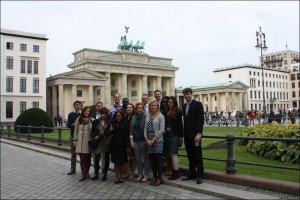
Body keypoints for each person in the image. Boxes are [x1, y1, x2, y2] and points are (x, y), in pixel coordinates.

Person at [181, 87, 204, 184]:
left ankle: (199, 175)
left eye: (188, 94)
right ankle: (191, 174)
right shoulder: (184, 106)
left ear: (191, 94)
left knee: (198, 155)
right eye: (185, 94)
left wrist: (199, 134)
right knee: (190, 155)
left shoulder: (198, 104)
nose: (186, 96)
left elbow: (200, 120)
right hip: (187, 135)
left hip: (195, 136)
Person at [105, 111, 130, 184]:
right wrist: (110, 130)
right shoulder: (111, 124)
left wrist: (127, 146)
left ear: (122, 116)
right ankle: (117, 177)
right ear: (114, 117)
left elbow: (127, 135)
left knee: (122, 162)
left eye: (120, 116)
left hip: (123, 146)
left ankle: (121, 177)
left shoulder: (125, 124)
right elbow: (105, 134)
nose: (118, 117)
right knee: (116, 162)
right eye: (117, 116)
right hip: (114, 146)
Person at [144, 100, 165, 186]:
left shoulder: (160, 116)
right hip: (149, 141)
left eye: (155, 106)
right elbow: (145, 129)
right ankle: (154, 176)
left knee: (158, 160)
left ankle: (159, 178)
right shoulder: (148, 117)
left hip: (158, 140)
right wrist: (147, 140)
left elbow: (162, 130)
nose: (153, 107)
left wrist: (153, 140)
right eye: (151, 106)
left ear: (157, 107)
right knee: (152, 160)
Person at [130, 102, 150, 182]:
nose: (139, 109)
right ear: (136, 109)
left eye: (140, 108)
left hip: (143, 140)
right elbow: (131, 130)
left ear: (143, 109)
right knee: (138, 158)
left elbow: (148, 130)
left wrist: (146, 139)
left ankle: (146, 175)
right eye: (138, 108)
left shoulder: (146, 117)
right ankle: (140, 174)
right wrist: (131, 141)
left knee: (145, 158)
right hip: (135, 140)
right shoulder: (133, 117)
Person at [164, 96, 183, 180]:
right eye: (169, 102)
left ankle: (176, 172)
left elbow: (180, 125)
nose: (170, 103)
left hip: (175, 134)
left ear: (175, 103)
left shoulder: (178, 111)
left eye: (172, 102)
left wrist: (181, 136)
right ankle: (174, 171)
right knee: (170, 154)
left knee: (173, 154)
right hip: (168, 135)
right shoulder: (166, 111)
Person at [90, 107, 111, 181]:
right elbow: (92, 132)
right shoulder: (95, 122)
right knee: (97, 159)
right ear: (99, 113)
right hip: (98, 142)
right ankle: (96, 173)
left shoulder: (109, 122)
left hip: (107, 142)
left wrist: (104, 135)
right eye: (101, 113)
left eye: (104, 113)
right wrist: (94, 136)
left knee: (106, 159)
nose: (103, 115)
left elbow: (110, 132)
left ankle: (105, 174)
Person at [73, 106, 93, 182]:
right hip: (80, 142)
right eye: (85, 111)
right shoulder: (79, 119)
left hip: (88, 142)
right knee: (82, 159)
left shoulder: (92, 120)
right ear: (83, 111)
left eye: (88, 111)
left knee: (88, 159)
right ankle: (83, 173)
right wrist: (74, 140)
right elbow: (75, 130)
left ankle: (87, 172)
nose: (86, 112)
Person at [66, 100, 82, 175]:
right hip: (73, 136)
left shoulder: (82, 114)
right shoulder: (70, 115)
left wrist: (75, 125)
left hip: (82, 136)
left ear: (81, 106)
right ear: (74, 106)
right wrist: (75, 125)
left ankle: (84, 171)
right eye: (76, 105)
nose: (77, 106)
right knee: (73, 154)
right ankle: (73, 169)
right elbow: (68, 125)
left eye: (79, 105)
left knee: (82, 154)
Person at [124, 103, 136, 180]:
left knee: (133, 157)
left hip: (133, 139)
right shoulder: (124, 117)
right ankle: (127, 172)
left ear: (132, 108)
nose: (128, 108)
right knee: (126, 157)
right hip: (125, 139)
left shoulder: (134, 117)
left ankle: (132, 173)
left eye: (130, 107)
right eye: (127, 107)